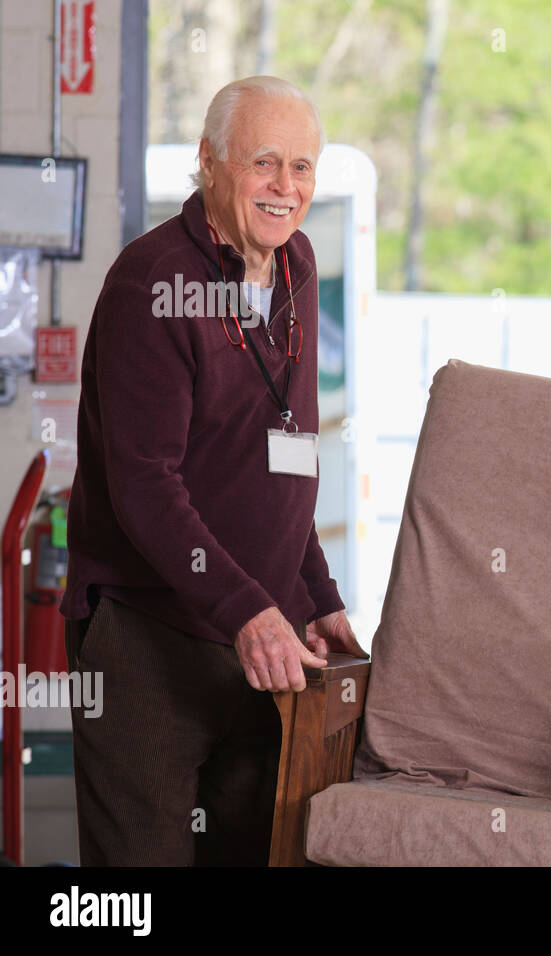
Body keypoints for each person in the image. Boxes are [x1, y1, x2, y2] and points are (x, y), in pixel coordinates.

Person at [60, 75, 365, 866]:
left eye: (302, 166)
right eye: (264, 163)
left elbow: (284, 452)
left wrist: (317, 598)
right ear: (208, 162)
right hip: (149, 638)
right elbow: (145, 485)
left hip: (263, 643)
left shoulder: (295, 265)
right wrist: (246, 609)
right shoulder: (151, 284)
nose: (285, 187)